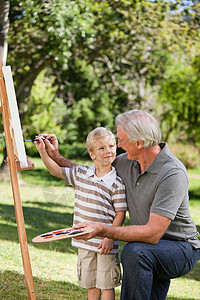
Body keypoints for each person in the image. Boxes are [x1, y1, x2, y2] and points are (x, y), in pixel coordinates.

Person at [39, 110, 200, 300]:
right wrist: (55, 155)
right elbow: (92, 174)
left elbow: (153, 233)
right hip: (149, 247)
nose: (118, 145)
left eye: (121, 140)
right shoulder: (127, 162)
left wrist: (102, 230)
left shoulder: (172, 173)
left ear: (139, 143)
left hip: (180, 248)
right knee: (141, 255)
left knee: (135, 252)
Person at [35, 127, 127, 300]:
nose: (108, 151)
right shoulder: (81, 173)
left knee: (107, 286)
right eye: (102, 148)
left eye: (111, 146)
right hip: (84, 243)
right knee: (91, 285)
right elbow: (55, 171)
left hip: (105, 244)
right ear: (92, 154)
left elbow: (120, 213)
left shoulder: (117, 183)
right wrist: (43, 152)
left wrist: (110, 237)